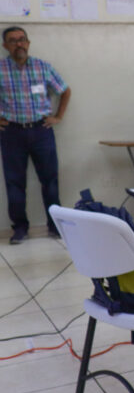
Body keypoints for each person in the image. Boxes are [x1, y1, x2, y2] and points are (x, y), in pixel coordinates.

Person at [0, 26, 72, 243]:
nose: (19, 44)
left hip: (41, 132)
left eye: (22, 39)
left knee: (50, 181)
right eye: (13, 41)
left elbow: (65, 91)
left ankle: (54, 225)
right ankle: (20, 228)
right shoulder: (1, 68)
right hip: (11, 133)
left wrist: (58, 117)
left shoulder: (43, 67)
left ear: (28, 43)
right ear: (5, 46)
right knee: (14, 183)